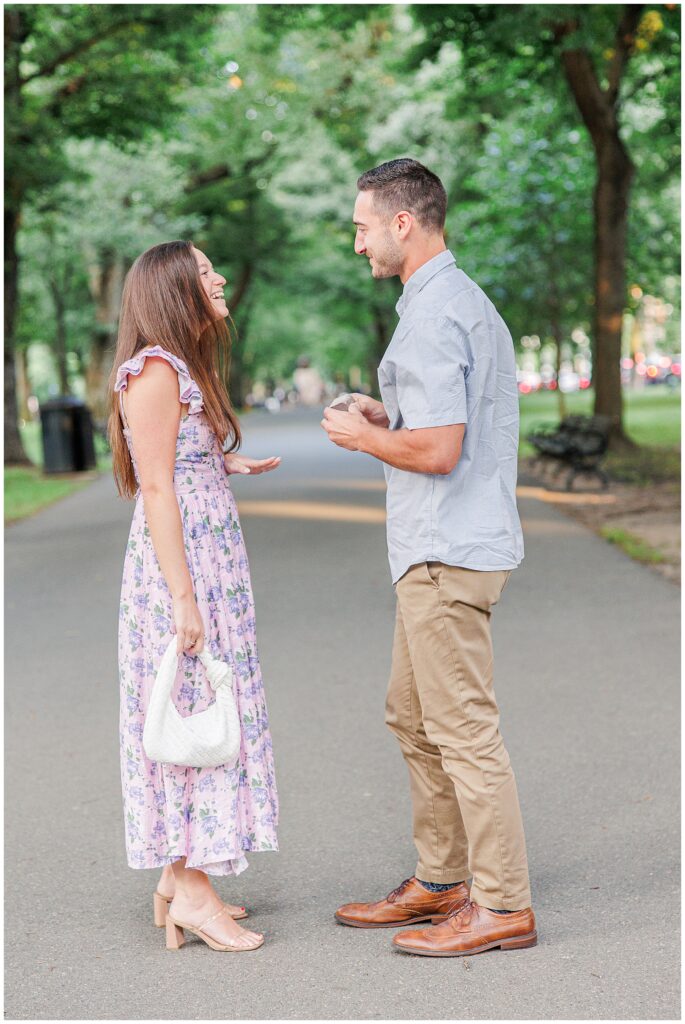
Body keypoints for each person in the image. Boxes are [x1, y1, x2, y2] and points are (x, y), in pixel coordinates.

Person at [321, 159, 536, 957]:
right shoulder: (445, 302)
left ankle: (503, 904)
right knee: (411, 717)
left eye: (361, 226)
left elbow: (442, 451)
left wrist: (364, 435)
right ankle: (441, 881)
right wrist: (389, 415)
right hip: (432, 550)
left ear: (402, 223)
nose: (357, 243)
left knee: (462, 731)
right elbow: (447, 419)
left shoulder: (438, 312)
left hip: (447, 552)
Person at [108, 240, 280, 953]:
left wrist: (218, 460)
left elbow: (174, 463)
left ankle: (180, 881)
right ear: (174, 290)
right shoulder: (152, 369)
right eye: (204, 271)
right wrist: (183, 598)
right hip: (180, 574)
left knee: (205, 710)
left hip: (209, 564)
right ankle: (192, 891)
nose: (218, 277)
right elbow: (152, 486)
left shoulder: (179, 369)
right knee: (188, 720)